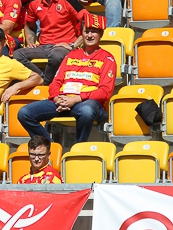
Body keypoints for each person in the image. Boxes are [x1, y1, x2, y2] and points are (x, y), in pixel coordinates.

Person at [17, 12, 115, 144]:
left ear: (101, 34)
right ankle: (50, 147)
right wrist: (57, 98)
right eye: (86, 31)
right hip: (62, 101)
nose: (89, 35)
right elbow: (56, 82)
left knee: (86, 111)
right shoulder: (71, 55)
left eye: (94, 32)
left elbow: (104, 91)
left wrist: (75, 99)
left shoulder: (107, 58)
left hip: (87, 102)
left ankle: (79, 148)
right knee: (24, 113)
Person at [15, 0, 83, 83]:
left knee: (56, 55)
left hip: (63, 46)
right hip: (44, 46)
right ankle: (41, 79)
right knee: (17, 55)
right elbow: (29, 25)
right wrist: (30, 42)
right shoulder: (34, 2)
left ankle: (46, 84)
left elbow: (89, 22)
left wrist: (73, 45)